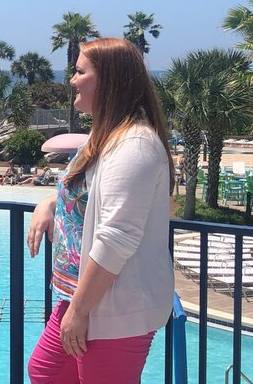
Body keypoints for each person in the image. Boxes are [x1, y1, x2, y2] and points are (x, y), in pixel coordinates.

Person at [25, 38, 174, 383]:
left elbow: (117, 237)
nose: (72, 80)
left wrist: (79, 310)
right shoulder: (105, 135)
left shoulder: (134, 145)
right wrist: (49, 203)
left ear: (108, 80)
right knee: (45, 372)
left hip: (110, 305)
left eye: (79, 71)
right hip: (79, 295)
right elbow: (89, 193)